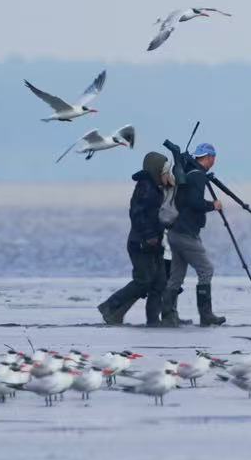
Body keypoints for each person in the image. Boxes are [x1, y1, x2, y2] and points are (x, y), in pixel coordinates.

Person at [97, 151, 172, 327]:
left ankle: (153, 320)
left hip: (155, 243)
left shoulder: (156, 186)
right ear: (156, 170)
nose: (166, 175)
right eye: (164, 172)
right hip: (141, 243)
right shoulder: (146, 186)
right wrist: (149, 235)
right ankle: (109, 305)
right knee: (143, 281)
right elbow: (137, 214)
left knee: (159, 282)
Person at [161, 140, 227, 327]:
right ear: (209, 158)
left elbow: (187, 200)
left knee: (176, 276)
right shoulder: (197, 176)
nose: (214, 161)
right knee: (206, 270)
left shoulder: (188, 172)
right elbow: (194, 202)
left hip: (175, 233)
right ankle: (206, 316)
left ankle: (167, 316)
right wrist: (212, 205)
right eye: (213, 158)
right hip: (186, 234)